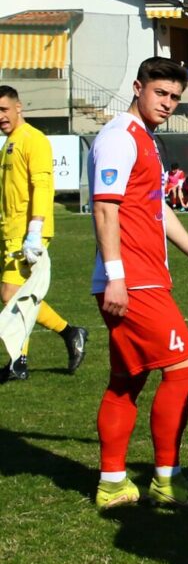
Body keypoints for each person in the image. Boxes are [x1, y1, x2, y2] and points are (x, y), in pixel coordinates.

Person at [88, 57, 188, 511]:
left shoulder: (145, 140)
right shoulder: (118, 139)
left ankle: (112, 482)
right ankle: (167, 478)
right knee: (183, 367)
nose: (167, 103)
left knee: (127, 380)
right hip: (133, 280)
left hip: (144, 277)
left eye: (174, 97)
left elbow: (156, 209)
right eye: (160, 93)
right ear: (138, 87)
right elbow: (105, 210)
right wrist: (115, 278)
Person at [0, 85, 88, 381]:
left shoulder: (33, 140)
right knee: (17, 296)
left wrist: (34, 231)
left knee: (12, 293)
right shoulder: (9, 143)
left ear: (19, 107)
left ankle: (67, 334)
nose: (0, 116)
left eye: (3, 109)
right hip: (11, 231)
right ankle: (19, 361)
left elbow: (43, 186)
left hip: (27, 233)